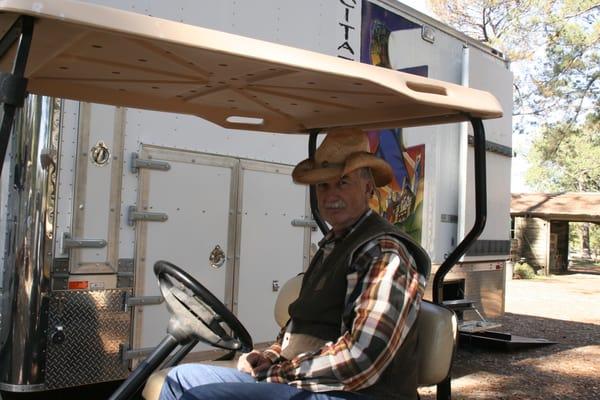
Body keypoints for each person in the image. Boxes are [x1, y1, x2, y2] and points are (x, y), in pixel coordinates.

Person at [159, 127, 431, 400]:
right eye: (323, 185)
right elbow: (303, 325)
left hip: (357, 393)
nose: (330, 195)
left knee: (205, 396)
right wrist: (269, 356)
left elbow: (362, 359)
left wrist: (276, 374)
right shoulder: (333, 245)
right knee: (181, 379)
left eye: (343, 182)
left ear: (368, 188)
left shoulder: (384, 252)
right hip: (308, 382)